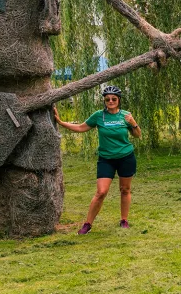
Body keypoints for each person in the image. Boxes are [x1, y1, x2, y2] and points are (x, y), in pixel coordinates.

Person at [53, 85, 141, 235]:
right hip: (106, 159)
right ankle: (87, 224)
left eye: (114, 99)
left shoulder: (126, 115)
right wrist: (61, 123)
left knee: (125, 190)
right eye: (107, 99)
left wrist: (133, 122)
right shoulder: (99, 116)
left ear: (119, 100)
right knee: (101, 192)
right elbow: (81, 128)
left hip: (126, 157)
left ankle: (124, 220)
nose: (111, 101)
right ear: (104, 101)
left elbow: (137, 135)